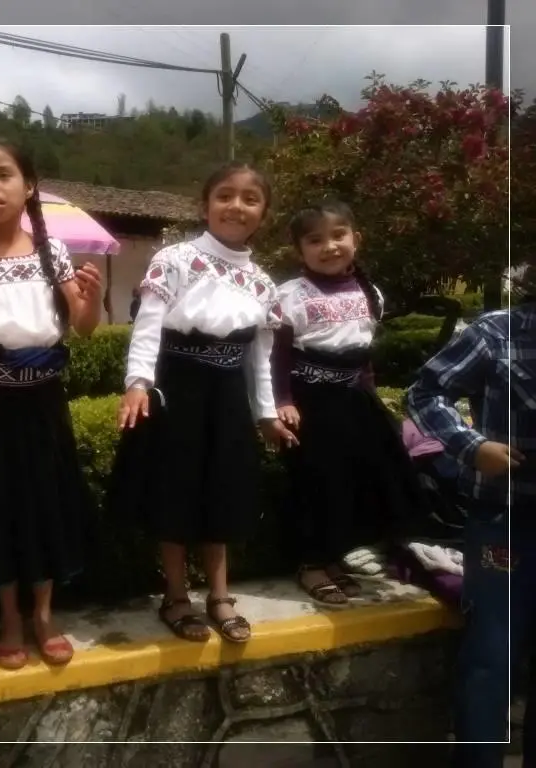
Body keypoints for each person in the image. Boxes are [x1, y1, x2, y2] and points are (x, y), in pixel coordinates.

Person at [107, 162, 294, 645]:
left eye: (250, 199)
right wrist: (138, 383)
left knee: (222, 491)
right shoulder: (174, 259)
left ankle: (220, 595)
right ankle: (175, 595)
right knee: (175, 493)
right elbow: (148, 325)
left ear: (264, 213)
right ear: (205, 205)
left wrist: (266, 414)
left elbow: (259, 358)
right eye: (225, 195)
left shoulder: (263, 283)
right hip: (178, 391)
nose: (236, 206)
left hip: (227, 398)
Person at [0, 140, 103, 670]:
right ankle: (9, 617)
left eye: (3, 174)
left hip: (44, 401)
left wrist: (93, 299)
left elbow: (83, 328)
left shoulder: (54, 255)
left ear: (28, 186)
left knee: (46, 501)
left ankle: (44, 615)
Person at [405, 266, 535, 768]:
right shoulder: (496, 333)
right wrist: (470, 445)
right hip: (505, 522)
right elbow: (424, 393)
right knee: (492, 658)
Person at [271, 200, 423, 606]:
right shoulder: (290, 296)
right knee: (317, 482)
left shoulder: (369, 292)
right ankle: (311, 563)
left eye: (338, 236)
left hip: (354, 401)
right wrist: (282, 400)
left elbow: (363, 354)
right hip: (310, 404)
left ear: (357, 239)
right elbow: (278, 356)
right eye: (315, 240)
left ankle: (335, 557)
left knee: (355, 481)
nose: (329, 247)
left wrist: (371, 393)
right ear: (299, 250)